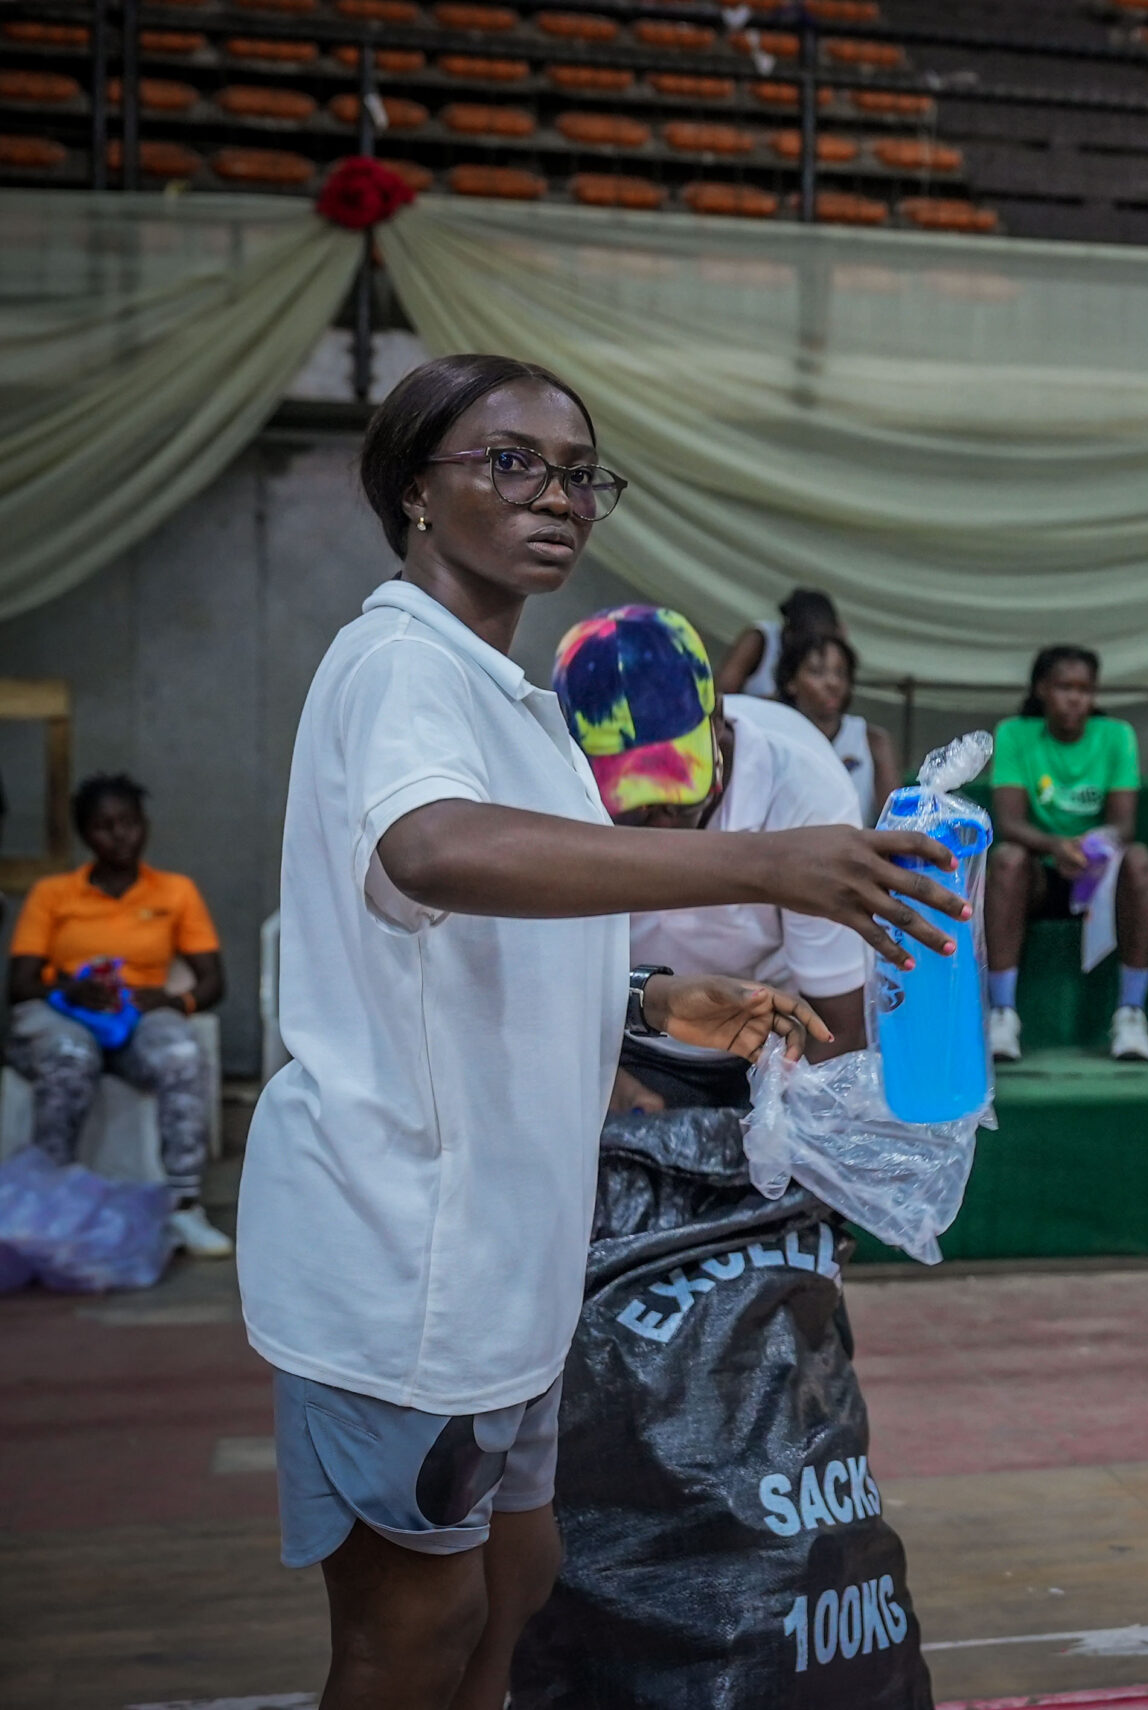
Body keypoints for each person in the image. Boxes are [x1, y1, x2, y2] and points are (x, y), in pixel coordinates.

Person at [236, 353, 963, 1710]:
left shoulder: (510, 696)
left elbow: (486, 933)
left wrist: (647, 1004)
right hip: (410, 1244)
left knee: (517, 1583)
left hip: (510, 1248)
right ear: (412, 491)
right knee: (413, 1630)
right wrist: (761, 865)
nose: (554, 496)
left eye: (578, 474)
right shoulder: (399, 658)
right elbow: (433, 849)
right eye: (508, 463)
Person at [555, 605, 876, 1113]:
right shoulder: (556, 783)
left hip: (773, 1052)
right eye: (631, 808)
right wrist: (608, 1078)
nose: (660, 826)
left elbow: (835, 1027)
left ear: (718, 720)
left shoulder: (805, 790)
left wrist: (783, 1131)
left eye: (673, 800)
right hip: (615, 1041)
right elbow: (541, 971)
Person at [6, 773, 230, 1257]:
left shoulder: (175, 891)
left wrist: (175, 1002)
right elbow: (19, 985)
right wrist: (69, 988)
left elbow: (213, 980)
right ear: (85, 834)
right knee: (70, 1054)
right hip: (67, 1013)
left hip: (137, 1015)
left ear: (145, 825)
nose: (120, 835)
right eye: (104, 826)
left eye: (129, 822)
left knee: (180, 1052)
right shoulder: (53, 894)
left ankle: (184, 1206)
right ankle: (49, 1200)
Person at [984, 645, 1148, 1063]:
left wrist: (1089, 848)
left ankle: (1131, 1015)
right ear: (1042, 690)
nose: (1076, 698)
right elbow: (1008, 822)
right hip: (1041, 874)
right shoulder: (1014, 733)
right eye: (1065, 687)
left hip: (1098, 873)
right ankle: (1002, 1014)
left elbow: (1124, 825)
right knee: (1007, 858)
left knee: (1139, 859)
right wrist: (1055, 847)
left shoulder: (1116, 735)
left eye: (1085, 689)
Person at [772, 627, 900, 829]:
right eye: (817, 672)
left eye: (840, 673)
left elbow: (896, 821)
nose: (833, 683)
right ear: (790, 682)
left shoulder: (872, 741)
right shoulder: (775, 739)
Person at [714, 587, 839, 699]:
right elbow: (720, 696)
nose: (813, 649)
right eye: (808, 642)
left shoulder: (830, 653)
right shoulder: (759, 641)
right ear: (790, 632)